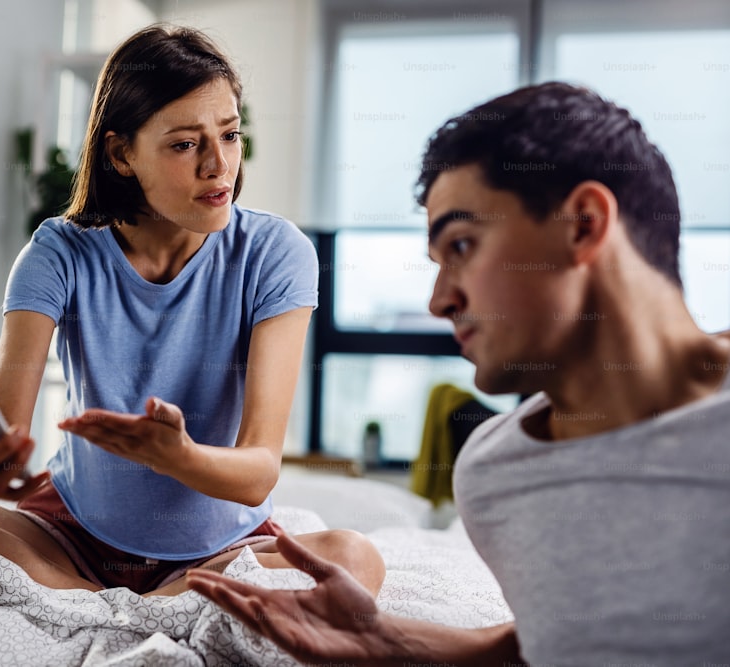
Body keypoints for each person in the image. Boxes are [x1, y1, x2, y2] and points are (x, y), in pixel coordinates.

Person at [0, 24, 385, 598]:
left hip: (221, 549)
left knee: (353, 558)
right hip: (68, 535)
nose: (220, 166)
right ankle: (116, 600)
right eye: (186, 144)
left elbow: (259, 470)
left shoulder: (275, 253)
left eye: (231, 135)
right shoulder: (57, 251)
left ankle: (78, 597)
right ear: (121, 153)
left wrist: (180, 457)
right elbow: (7, 440)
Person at [187, 81, 730, 664]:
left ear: (584, 224)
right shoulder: (496, 473)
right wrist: (388, 641)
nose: (439, 301)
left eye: (463, 245)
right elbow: (562, 646)